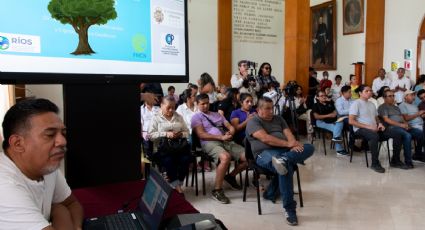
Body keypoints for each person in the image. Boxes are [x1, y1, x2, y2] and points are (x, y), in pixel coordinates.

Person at [0, 98, 83, 229]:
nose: (62, 141)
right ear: (18, 144)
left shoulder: (44, 165)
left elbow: (71, 204)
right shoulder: (5, 187)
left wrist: (70, 221)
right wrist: (60, 211)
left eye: (63, 133)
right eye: (50, 135)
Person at [246, 97, 314, 226]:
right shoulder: (253, 121)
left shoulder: (279, 119)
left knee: (309, 147)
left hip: (284, 152)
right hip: (264, 154)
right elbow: (266, 139)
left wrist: (292, 143)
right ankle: (289, 209)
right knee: (286, 167)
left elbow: (289, 134)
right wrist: (289, 145)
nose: (271, 111)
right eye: (267, 109)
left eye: (272, 108)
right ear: (259, 109)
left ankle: (271, 191)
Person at [191, 94, 248, 204]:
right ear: (197, 104)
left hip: (226, 140)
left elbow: (229, 126)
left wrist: (231, 131)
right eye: (202, 104)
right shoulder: (196, 117)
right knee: (225, 157)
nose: (206, 106)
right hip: (209, 143)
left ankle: (230, 176)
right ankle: (217, 190)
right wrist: (221, 137)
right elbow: (201, 134)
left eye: (207, 103)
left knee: (248, 157)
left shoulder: (217, 114)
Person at [148, 96, 192, 193]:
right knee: (168, 160)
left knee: (186, 159)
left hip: (178, 148)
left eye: (173, 107)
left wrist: (180, 134)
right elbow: (150, 135)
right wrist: (166, 134)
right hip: (162, 149)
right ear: (161, 105)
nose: (171, 110)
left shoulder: (178, 117)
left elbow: (187, 132)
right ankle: (178, 188)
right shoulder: (156, 118)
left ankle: (177, 183)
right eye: (168, 107)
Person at [348, 85, 386, 173]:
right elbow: (351, 121)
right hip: (360, 129)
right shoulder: (356, 103)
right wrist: (369, 127)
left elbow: (376, 117)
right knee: (374, 136)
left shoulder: (372, 104)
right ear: (360, 93)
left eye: (371, 91)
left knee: (392, 132)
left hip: (373, 128)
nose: (370, 92)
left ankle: (395, 160)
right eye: (367, 91)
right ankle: (375, 163)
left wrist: (380, 124)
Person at [378, 90, 414, 169]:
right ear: (384, 98)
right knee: (407, 135)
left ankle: (418, 154)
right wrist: (401, 125)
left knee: (419, 133)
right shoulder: (382, 107)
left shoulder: (396, 107)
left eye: (393, 96)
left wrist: (406, 124)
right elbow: (387, 120)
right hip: (389, 128)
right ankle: (408, 162)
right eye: (389, 96)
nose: (392, 97)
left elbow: (401, 117)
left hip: (400, 127)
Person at [313, 90, 347, 155]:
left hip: (332, 120)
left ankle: (336, 138)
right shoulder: (315, 105)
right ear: (317, 97)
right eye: (321, 96)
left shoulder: (329, 103)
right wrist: (329, 115)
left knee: (340, 121)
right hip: (321, 122)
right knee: (336, 129)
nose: (324, 97)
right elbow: (316, 117)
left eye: (324, 95)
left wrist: (334, 113)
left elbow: (335, 111)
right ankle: (339, 150)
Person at [399, 90, 425, 162]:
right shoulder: (402, 105)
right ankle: (418, 154)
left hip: (421, 123)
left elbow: (418, 116)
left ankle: (418, 154)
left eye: (414, 95)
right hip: (413, 126)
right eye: (411, 95)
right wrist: (418, 114)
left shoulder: (414, 105)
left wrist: (421, 115)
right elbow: (406, 118)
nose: (414, 97)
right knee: (421, 133)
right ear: (406, 97)